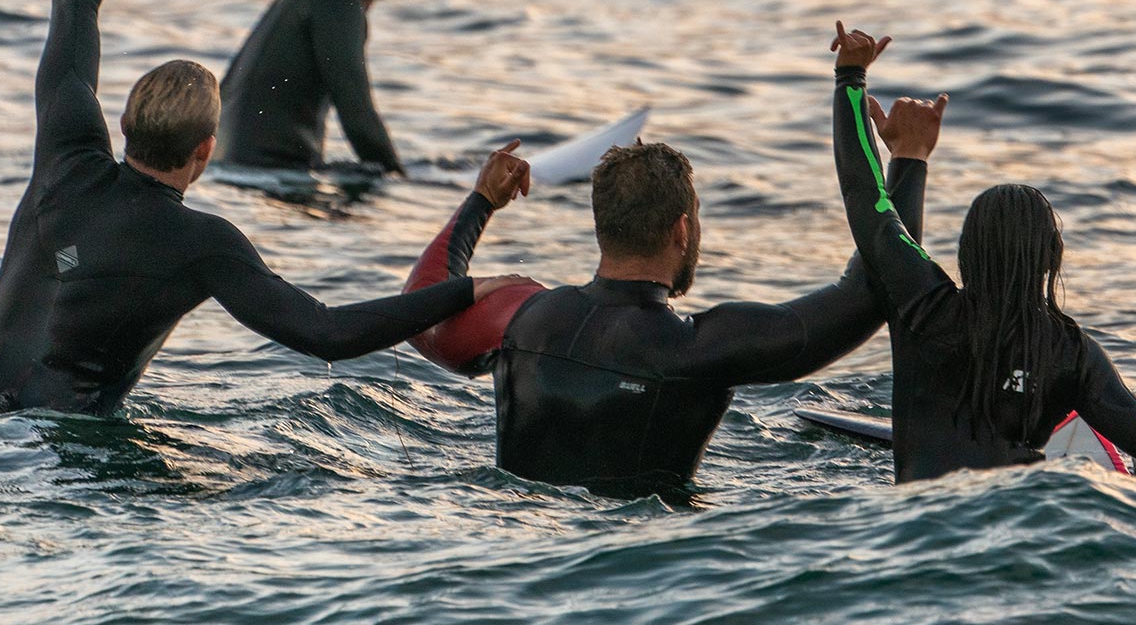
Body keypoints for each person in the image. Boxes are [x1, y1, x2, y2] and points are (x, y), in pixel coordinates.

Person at [0, 0, 528, 415]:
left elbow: (75, 2)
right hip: (70, 447)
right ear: (205, 151)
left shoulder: (66, 159)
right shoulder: (203, 243)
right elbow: (327, 333)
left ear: (123, 122)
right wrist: (466, 288)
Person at [396, 124, 934, 491]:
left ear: (602, 225)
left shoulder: (524, 316)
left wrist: (482, 201)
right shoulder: (699, 348)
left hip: (514, 534)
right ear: (682, 228)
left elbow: (424, 305)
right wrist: (907, 160)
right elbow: (873, 291)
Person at [830, 23, 1136, 483]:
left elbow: (865, 196)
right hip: (1031, 513)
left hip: (922, 516)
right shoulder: (1069, 351)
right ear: (1052, 259)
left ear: (966, 252)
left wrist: (850, 80)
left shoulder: (924, 307)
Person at [214, 0, 424, 174]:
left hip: (229, 170)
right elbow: (358, 118)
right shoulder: (336, 1)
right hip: (269, 175)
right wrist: (401, 181)